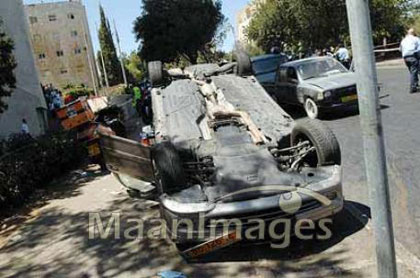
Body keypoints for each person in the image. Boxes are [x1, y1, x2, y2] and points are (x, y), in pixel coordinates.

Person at [400, 28, 420, 93]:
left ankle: (416, 83)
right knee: (414, 71)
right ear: (414, 33)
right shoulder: (416, 39)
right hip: (413, 56)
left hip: (406, 58)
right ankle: (413, 87)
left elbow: (400, 49)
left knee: (412, 71)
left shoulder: (403, 40)